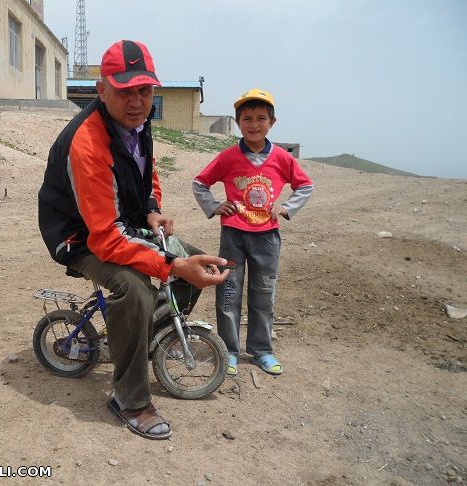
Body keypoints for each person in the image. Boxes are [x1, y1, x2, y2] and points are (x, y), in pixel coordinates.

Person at [38, 40, 229, 440]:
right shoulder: (87, 144)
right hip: (79, 237)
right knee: (136, 288)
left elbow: (145, 176)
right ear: (102, 90)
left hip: (116, 222)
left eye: (144, 90)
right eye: (125, 91)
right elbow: (105, 239)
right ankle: (130, 400)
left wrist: (152, 209)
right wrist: (170, 265)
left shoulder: (137, 126)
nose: (137, 101)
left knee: (192, 259)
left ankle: (138, 341)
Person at [192, 88, 314, 377]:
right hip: (233, 235)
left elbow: (305, 186)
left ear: (272, 121)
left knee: (263, 294)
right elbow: (200, 183)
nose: (254, 124)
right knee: (229, 292)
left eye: (261, 118)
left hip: (267, 238)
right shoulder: (228, 157)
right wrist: (214, 206)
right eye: (247, 118)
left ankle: (261, 351)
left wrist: (285, 208)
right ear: (238, 122)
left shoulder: (283, 158)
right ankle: (229, 350)